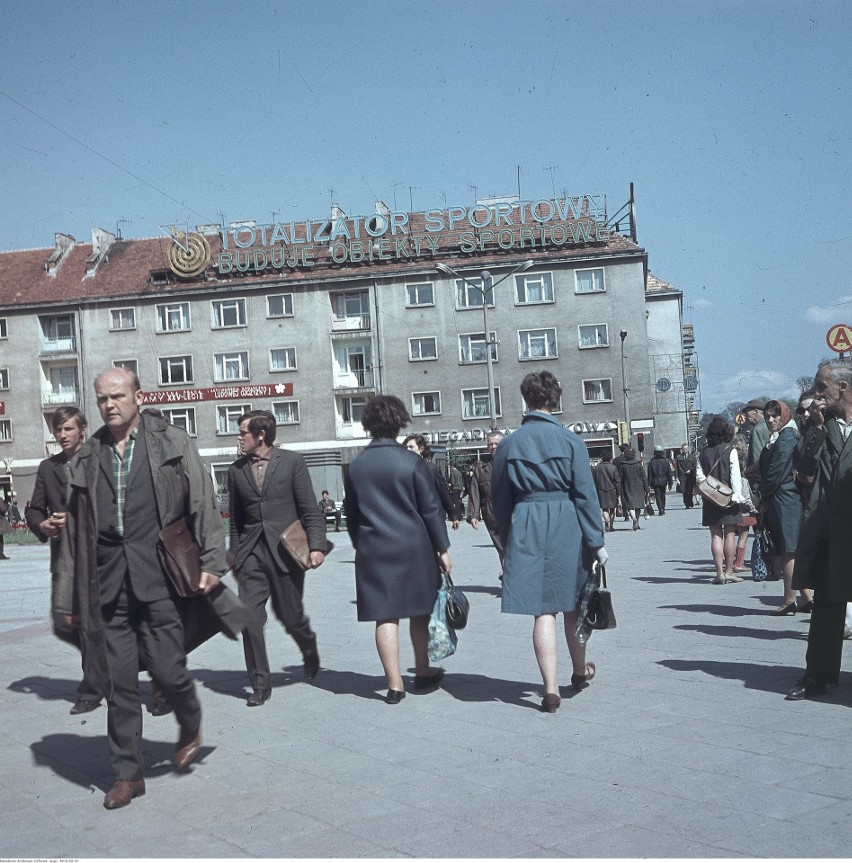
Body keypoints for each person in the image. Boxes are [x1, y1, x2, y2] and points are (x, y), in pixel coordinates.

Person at [63, 367, 227, 809]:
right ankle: (127, 774)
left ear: (138, 396)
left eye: (117, 396)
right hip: (109, 581)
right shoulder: (89, 453)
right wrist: (72, 593)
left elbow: (202, 502)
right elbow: (77, 531)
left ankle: (189, 720)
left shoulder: (171, 441)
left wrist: (213, 561)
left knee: (169, 671)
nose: (109, 405)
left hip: (159, 577)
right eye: (102, 398)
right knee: (118, 684)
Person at [492, 371, 607, 713]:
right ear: (555, 400)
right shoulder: (570, 441)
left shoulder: (509, 444)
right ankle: (578, 670)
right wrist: (597, 541)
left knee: (543, 610)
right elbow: (586, 497)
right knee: (573, 603)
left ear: (525, 399)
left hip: (526, 519)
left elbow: (499, 500)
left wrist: (509, 537)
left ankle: (550, 689)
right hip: (566, 522)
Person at [344, 395, 451, 704]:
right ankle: (422, 670)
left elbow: (352, 514)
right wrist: (442, 548)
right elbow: (430, 509)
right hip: (414, 546)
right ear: (399, 422)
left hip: (374, 547)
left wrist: (360, 543)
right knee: (419, 612)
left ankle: (394, 685)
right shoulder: (411, 461)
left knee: (385, 616)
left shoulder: (357, 465)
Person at [228, 410, 325, 707]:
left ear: (260, 435)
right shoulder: (236, 470)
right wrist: (234, 553)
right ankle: (260, 683)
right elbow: (235, 518)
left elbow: (310, 508)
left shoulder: (292, 462)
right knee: (248, 617)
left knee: (290, 616)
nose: (239, 437)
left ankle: (308, 647)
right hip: (251, 554)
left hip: (286, 551)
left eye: (243, 432)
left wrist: (317, 546)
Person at [25, 406, 102, 715]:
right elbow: (34, 509)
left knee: (105, 623)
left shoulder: (100, 460)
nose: (62, 435)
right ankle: (98, 677)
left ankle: (92, 689)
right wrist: (42, 525)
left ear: (82, 429)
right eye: (58, 430)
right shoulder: (48, 467)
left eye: (68, 429)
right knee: (66, 621)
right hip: (66, 560)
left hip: (101, 555)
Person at [786, 360, 852, 699]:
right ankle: (816, 677)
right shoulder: (823, 426)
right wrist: (814, 425)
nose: (816, 396)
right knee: (826, 606)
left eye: (821, 388)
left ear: (842, 387)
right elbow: (804, 464)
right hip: (830, 532)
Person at [758, 400, 813, 614]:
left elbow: (776, 471)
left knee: (788, 550)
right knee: (789, 549)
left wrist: (760, 495)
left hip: (785, 499)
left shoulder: (787, 436)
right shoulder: (781, 436)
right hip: (782, 499)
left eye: (775, 415)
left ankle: (790, 599)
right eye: (767, 416)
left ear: (785, 415)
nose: (771, 420)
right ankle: (807, 598)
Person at [696, 416, 746, 584]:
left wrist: (710, 491)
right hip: (729, 499)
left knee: (715, 536)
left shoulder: (702, 452)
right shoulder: (730, 450)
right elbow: (736, 477)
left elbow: (699, 476)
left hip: (710, 499)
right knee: (730, 535)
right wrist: (736, 496)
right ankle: (729, 571)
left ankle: (719, 573)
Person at [402, 433, 460, 530]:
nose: (408, 450)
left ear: (421, 449)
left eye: (411, 447)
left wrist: (453, 515)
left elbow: (443, 492)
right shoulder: (401, 469)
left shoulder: (431, 469)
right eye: (406, 447)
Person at [466, 432, 505, 569]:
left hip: (511, 511)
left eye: (496, 443)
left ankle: (512, 578)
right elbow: (474, 491)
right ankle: (509, 577)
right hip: (490, 512)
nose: (493, 446)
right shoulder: (481, 468)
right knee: (501, 548)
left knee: (513, 548)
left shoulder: (511, 463)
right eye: (490, 444)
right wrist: (473, 515)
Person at [617, 447, 649, 530]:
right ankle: (637, 521)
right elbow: (644, 478)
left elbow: (620, 478)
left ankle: (634, 519)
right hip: (639, 487)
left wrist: (619, 491)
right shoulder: (638, 464)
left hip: (627, 487)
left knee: (630, 506)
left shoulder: (623, 465)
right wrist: (647, 489)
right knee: (638, 506)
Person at [593, 450, 620, 532]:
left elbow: (594, 480)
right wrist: (619, 493)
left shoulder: (597, 467)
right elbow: (617, 481)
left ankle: (606, 521)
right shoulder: (613, 467)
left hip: (601, 490)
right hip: (612, 490)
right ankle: (611, 525)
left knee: (604, 508)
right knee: (612, 509)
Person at [647, 445, 673, 515]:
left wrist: (648, 484)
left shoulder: (651, 462)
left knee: (657, 495)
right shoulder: (665, 461)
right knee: (663, 494)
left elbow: (650, 475)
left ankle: (660, 509)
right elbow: (669, 473)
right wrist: (670, 483)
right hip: (663, 480)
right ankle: (663, 508)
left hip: (655, 481)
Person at [743, 398, 769, 468]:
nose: (746, 417)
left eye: (747, 414)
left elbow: (756, 458)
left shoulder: (757, 430)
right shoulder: (772, 426)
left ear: (756, 411)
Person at [675, 443, 697, 509]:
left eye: (686, 448)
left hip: (691, 476)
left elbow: (695, 466)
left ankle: (690, 502)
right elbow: (677, 467)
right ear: (682, 449)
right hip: (683, 476)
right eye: (684, 449)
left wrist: (691, 470)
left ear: (688, 449)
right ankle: (687, 504)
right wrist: (677, 476)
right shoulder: (679, 457)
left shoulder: (692, 457)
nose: (685, 450)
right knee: (684, 491)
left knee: (690, 491)